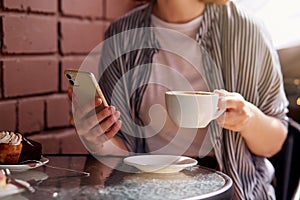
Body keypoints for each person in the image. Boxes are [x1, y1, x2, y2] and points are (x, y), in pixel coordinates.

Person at [69, 0, 289, 199]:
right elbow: (123, 147)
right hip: (147, 188)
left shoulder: (246, 30)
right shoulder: (123, 33)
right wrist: (99, 138)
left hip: (235, 191)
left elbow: (275, 141)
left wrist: (248, 120)